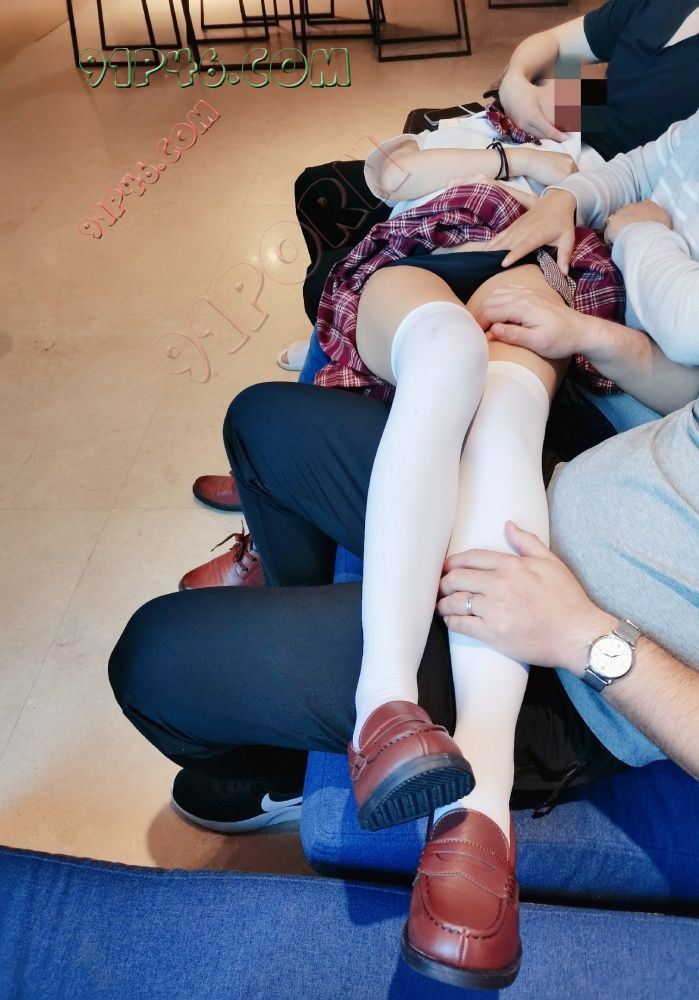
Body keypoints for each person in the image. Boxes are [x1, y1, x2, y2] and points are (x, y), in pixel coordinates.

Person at [110, 111, 699, 987]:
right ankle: (361, 719)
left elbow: (671, 290)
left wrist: (588, 637)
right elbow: (618, 152)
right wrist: (555, 182)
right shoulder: (660, 79)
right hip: (556, 475)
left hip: (582, 670)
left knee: (156, 656)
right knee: (273, 416)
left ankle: (469, 798)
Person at [189, 0, 699, 577]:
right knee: (323, 191)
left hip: (584, 182)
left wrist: (599, 203)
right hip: (574, 154)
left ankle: (303, 488)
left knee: (390, 287)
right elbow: (569, 61)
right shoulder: (661, 10)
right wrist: (518, 85)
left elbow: (634, 162)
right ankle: (285, 478)